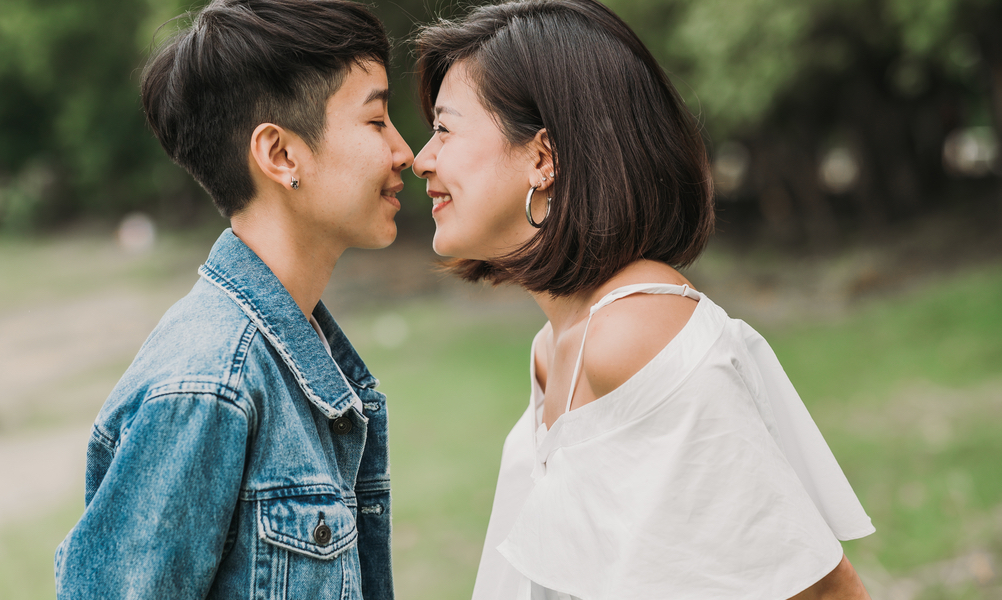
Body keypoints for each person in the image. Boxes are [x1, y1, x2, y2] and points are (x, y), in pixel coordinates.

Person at [411, 1, 875, 599]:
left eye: (444, 129)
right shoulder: (555, 347)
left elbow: (820, 591)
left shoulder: (635, 331)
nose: (422, 159)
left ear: (543, 158)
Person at [53, 0, 413, 597]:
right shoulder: (208, 385)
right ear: (279, 154)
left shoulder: (293, 355)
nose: (405, 151)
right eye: (377, 121)